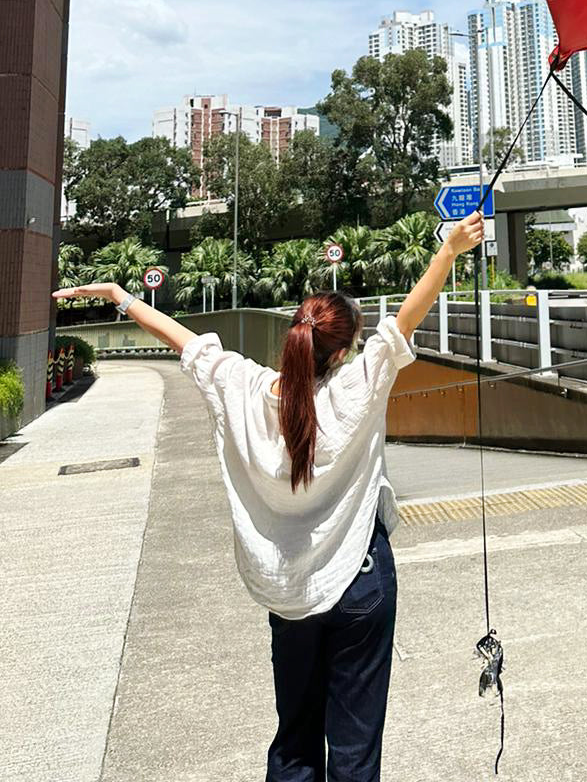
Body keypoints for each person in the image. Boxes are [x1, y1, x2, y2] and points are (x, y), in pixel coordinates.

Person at [51, 208, 485, 782]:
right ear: (342, 352)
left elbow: (183, 339)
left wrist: (119, 295)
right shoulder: (358, 386)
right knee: (355, 752)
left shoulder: (241, 387)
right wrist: (449, 250)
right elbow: (403, 322)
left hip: (289, 594)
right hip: (360, 580)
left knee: (294, 743)